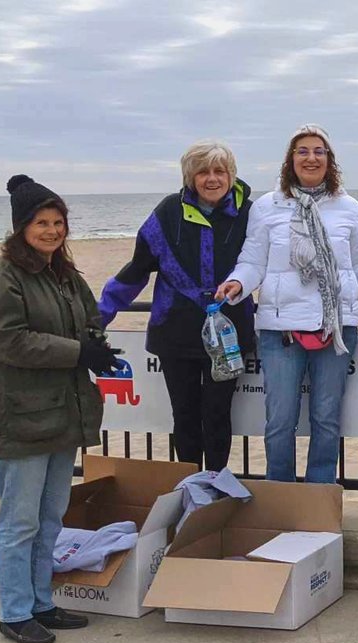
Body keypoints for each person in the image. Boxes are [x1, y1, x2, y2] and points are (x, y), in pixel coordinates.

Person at [0, 176, 121, 643]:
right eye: (42, 223)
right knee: (20, 520)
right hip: (21, 414)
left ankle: (40, 601)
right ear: (21, 228)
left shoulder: (66, 276)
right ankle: (14, 612)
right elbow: (7, 339)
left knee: (51, 517)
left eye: (58, 223)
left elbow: (89, 321)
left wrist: (95, 344)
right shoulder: (2, 276)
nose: (52, 231)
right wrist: (78, 352)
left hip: (63, 413)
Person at [216, 124, 358, 483]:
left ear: (329, 159)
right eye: (302, 151)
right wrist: (238, 283)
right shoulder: (268, 206)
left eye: (319, 151)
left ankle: (319, 498)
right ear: (290, 159)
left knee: (326, 419)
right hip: (280, 330)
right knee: (280, 420)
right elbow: (253, 261)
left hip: (336, 329)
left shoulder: (348, 206)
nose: (311, 157)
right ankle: (281, 496)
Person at [99, 140, 254, 471]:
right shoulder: (167, 212)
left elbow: (267, 264)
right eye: (202, 172)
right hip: (175, 333)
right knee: (184, 415)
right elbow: (137, 269)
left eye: (219, 171)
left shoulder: (250, 213)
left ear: (231, 175)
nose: (212, 179)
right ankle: (189, 484)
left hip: (229, 334)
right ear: (189, 177)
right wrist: (99, 315)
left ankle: (214, 485)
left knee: (217, 415)